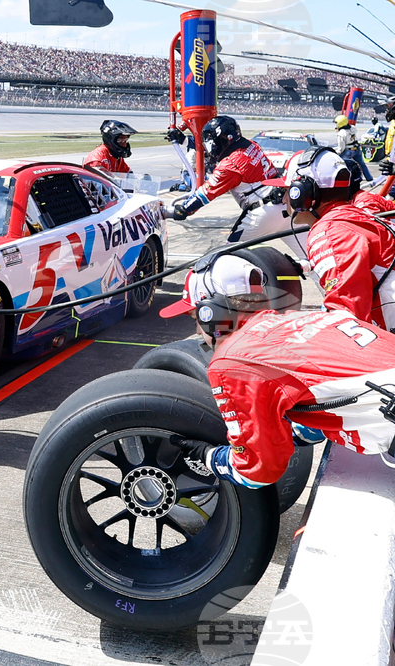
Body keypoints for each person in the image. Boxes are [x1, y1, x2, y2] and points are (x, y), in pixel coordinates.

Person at [159, 253, 395, 487]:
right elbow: (332, 395)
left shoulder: (234, 359)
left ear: (211, 313)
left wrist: (209, 457)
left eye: (195, 318)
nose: (199, 332)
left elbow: (257, 471)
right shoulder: (315, 319)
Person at [265, 146, 395, 332]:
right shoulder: (353, 219)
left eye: (287, 190)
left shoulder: (330, 233)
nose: (284, 199)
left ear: (302, 193)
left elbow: (349, 324)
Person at [167, 116, 297, 255]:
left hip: (263, 212)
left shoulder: (230, 165)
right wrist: (185, 141)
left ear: (222, 139)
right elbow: (214, 152)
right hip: (288, 206)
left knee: (230, 255)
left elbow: (206, 193)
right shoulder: (251, 145)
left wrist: (183, 209)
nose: (211, 146)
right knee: (314, 260)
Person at [335, 114, 373, 181]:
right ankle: (369, 178)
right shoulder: (353, 128)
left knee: (342, 165)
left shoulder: (341, 133)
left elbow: (341, 148)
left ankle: (346, 179)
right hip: (357, 149)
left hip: (348, 151)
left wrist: (335, 153)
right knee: (362, 165)